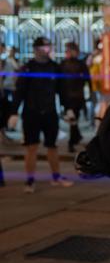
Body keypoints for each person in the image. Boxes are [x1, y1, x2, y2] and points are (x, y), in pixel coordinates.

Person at [7, 37, 73, 193]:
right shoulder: (28, 68)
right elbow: (19, 92)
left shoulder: (55, 68)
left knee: (52, 146)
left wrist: (68, 108)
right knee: (31, 147)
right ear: (36, 49)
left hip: (50, 112)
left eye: (48, 47)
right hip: (31, 113)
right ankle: (30, 180)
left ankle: (56, 177)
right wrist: (13, 112)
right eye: (43, 48)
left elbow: (62, 91)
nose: (47, 50)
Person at [60, 41, 92, 153]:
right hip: (67, 96)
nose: (68, 53)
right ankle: (75, 138)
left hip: (77, 96)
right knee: (72, 119)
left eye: (69, 50)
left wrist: (90, 93)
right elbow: (59, 81)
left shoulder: (81, 64)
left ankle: (73, 140)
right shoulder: (63, 64)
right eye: (67, 51)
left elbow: (88, 79)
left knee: (73, 118)